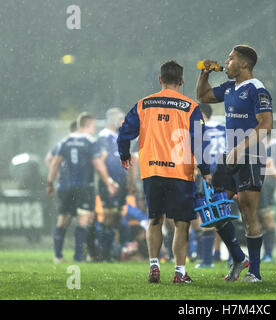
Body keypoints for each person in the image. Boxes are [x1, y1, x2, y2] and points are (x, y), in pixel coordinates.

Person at [117, 60, 211, 284]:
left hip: (152, 171)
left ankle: (154, 266)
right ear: (182, 81)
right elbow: (199, 141)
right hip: (180, 172)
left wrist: (124, 155)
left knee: (155, 219)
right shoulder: (190, 107)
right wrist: (205, 169)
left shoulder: (144, 104)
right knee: (181, 223)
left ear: (160, 80)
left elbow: (123, 133)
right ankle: (179, 272)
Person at [196, 45, 273, 282]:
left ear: (244, 64)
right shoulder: (230, 87)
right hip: (230, 156)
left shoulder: (257, 90)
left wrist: (241, 148)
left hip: (251, 156)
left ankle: (255, 273)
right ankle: (239, 257)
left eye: (230, 60)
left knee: (248, 212)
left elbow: (266, 125)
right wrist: (205, 73)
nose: (226, 63)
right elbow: (203, 96)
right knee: (215, 209)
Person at [47, 112, 118, 263]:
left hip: (65, 187)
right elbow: (99, 166)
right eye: (93, 126)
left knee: (63, 219)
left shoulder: (65, 141)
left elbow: (53, 163)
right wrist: (108, 182)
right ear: (87, 125)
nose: (94, 130)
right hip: (84, 187)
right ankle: (78, 256)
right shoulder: (90, 142)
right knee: (83, 219)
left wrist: (50, 182)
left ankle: (58, 256)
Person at [191, 103, 226, 269]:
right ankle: (229, 257)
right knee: (223, 215)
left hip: (207, 174)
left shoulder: (199, 129)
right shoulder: (224, 128)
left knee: (207, 216)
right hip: (224, 172)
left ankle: (206, 260)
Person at [96, 108, 128, 261]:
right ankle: (103, 253)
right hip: (110, 182)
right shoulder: (104, 136)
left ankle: (109, 252)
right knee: (108, 216)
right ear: (113, 120)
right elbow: (100, 160)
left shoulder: (117, 136)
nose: (123, 122)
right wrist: (108, 181)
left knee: (116, 215)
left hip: (120, 181)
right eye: (121, 119)